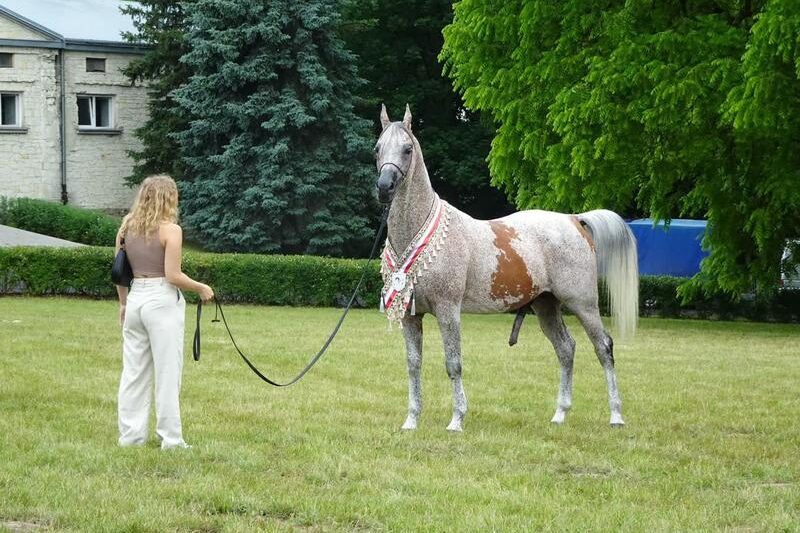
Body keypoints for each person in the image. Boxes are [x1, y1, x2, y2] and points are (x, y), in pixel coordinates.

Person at [114, 174, 214, 449]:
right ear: (169, 199)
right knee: (168, 373)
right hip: (162, 300)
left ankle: (131, 436)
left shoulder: (125, 228)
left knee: (134, 372)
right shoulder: (171, 230)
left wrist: (123, 303)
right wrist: (201, 287)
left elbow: (119, 271)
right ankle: (171, 439)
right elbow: (173, 275)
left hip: (136, 297)